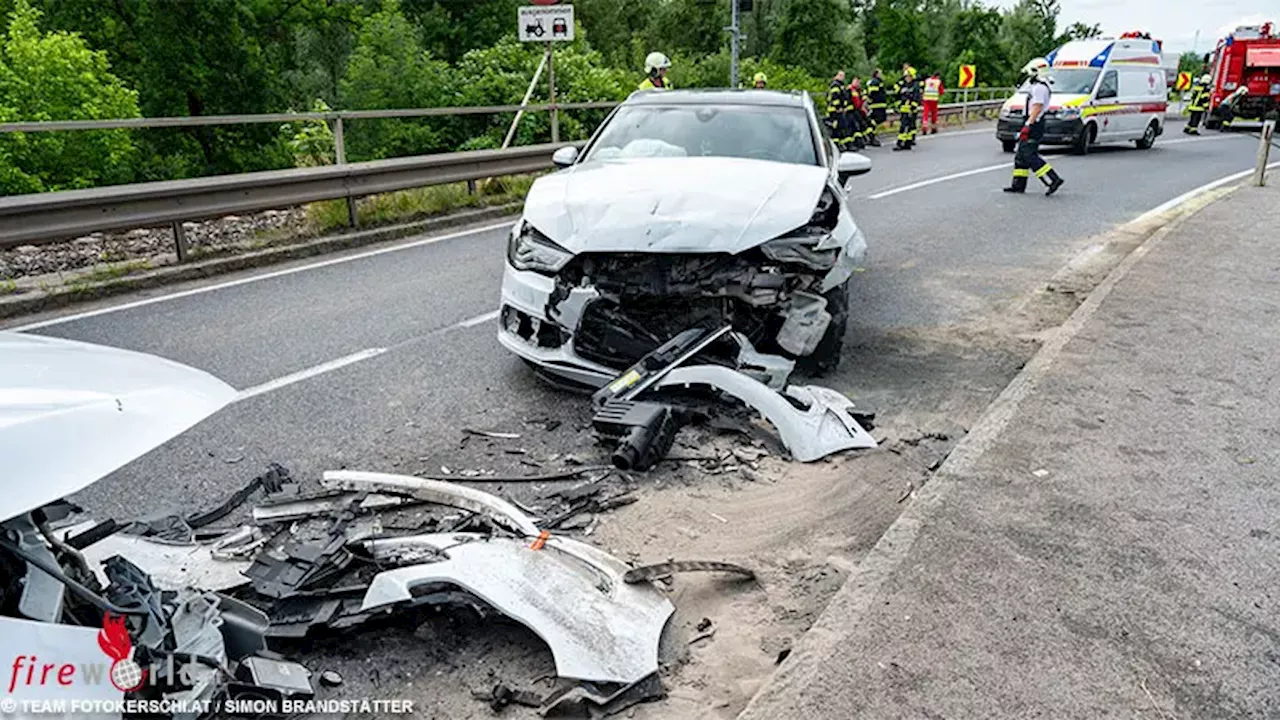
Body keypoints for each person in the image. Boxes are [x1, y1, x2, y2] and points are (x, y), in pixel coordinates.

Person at [1005, 57, 1064, 196]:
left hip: (1034, 123)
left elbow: (1037, 107)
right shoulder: (1039, 86)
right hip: (1033, 121)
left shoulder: (1039, 88)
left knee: (1029, 155)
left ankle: (1053, 179)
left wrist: (1027, 125)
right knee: (1020, 156)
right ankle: (1018, 184)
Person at [891, 66, 921, 151]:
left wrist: (912, 108)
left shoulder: (915, 86)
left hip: (910, 110)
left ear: (912, 76)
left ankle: (900, 143)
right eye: (906, 76)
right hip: (904, 109)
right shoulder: (904, 84)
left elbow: (916, 98)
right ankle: (907, 143)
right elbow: (899, 95)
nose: (907, 78)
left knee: (905, 127)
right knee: (907, 126)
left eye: (908, 76)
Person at [826, 70, 854, 150]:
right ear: (836, 76)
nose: (843, 77)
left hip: (839, 110)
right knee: (837, 127)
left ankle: (842, 144)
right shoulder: (835, 85)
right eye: (841, 75)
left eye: (843, 76)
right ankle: (838, 145)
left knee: (841, 127)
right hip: (834, 111)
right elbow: (835, 98)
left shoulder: (840, 85)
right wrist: (838, 108)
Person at [849, 78, 879, 147]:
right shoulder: (851, 90)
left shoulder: (860, 91)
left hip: (861, 111)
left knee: (869, 124)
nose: (858, 84)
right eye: (857, 82)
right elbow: (855, 103)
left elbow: (863, 100)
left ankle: (870, 139)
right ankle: (866, 140)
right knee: (861, 126)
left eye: (859, 83)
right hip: (855, 111)